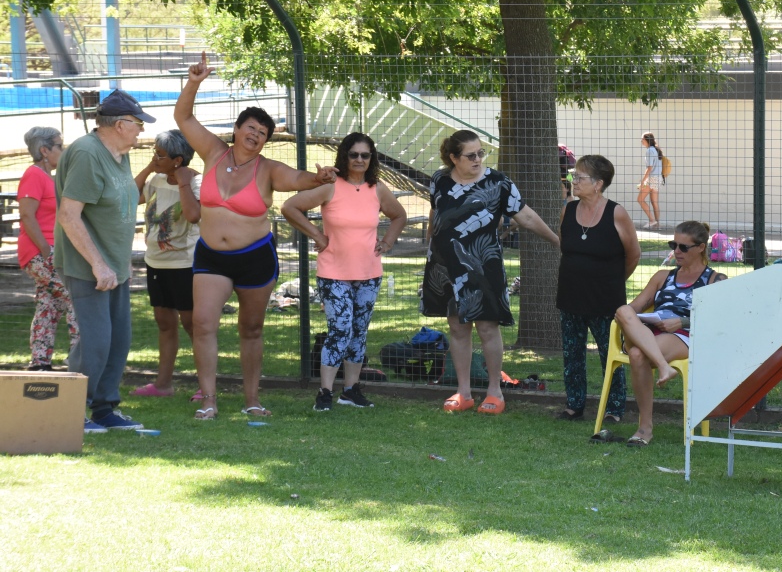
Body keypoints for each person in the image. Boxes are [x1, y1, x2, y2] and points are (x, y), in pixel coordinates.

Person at [174, 52, 336, 419]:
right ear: (236, 129)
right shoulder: (213, 153)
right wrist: (194, 82)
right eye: (250, 128)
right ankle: (210, 399)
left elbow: (297, 179)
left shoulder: (269, 169)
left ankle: (252, 399)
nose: (255, 135)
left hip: (254, 258)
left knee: (251, 328)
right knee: (203, 324)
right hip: (211, 256)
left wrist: (319, 177)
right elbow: (183, 117)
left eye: (262, 133)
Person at [420, 129, 559, 415]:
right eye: (471, 155)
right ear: (453, 157)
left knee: (487, 327)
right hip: (446, 265)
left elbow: (526, 216)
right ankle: (464, 392)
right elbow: (436, 213)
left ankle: (495, 391)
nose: (478, 159)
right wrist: (431, 247)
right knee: (457, 327)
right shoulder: (439, 180)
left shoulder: (498, 182)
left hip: (483, 265)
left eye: (481, 153)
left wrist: (557, 241)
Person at [281, 132, 407, 411]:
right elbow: (290, 207)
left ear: (371, 158)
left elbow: (399, 216)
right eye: (354, 154)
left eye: (365, 155)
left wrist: (387, 242)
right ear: (345, 157)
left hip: (369, 273)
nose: (360, 160)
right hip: (333, 273)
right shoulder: (331, 186)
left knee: (359, 332)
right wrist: (317, 236)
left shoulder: (378, 188)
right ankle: (325, 392)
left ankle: (350, 390)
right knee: (340, 329)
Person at [55, 90, 154, 433]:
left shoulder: (119, 153)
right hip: (89, 266)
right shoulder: (86, 153)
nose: (141, 130)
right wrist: (98, 264)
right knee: (96, 341)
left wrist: (118, 262)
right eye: (138, 124)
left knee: (118, 339)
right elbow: (69, 215)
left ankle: (104, 409)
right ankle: (71, 409)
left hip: (115, 265)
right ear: (120, 124)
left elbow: (117, 209)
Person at [614, 220, 726, 446]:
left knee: (637, 355)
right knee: (623, 309)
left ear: (701, 248)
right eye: (673, 244)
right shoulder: (663, 276)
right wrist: (638, 318)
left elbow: (720, 320)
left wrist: (682, 321)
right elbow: (633, 309)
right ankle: (664, 367)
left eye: (683, 247)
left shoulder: (715, 280)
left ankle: (645, 428)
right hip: (649, 330)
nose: (676, 251)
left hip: (683, 334)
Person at [556, 155, 640, 423]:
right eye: (573, 176)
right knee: (572, 354)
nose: (573, 181)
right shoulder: (568, 209)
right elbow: (564, 245)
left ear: (598, 184)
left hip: (606, 300)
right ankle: (574, 405)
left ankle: (614, 408)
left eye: (579, 177)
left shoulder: (617, 213)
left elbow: (633, 254)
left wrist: (613, 281)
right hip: (570, 296)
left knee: (611, 354)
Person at [130, 129, 202, 398]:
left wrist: (182, 183)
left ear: (178, 160)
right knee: (164, 322)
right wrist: (150, 167)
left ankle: (204, 385)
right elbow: (130, 196)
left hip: (185, 265)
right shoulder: (157, 179)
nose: (154, 157)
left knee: (192, 324)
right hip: (155, 262)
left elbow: (194, 216)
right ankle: (163, 385)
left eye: (160, 154)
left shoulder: (196, 183)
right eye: (154, 152)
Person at [18, 127, 79, 371]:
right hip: (39, 253)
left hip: (48, 251)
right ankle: (78, 359)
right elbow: (26, 215)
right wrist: (46, 251)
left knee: (48, 303)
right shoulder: (33, 175)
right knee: (76, 298)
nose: (63, 151)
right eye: (59, 146)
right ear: (44, 150)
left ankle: (40, 362)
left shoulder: (48, 177)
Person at [637, 132, 663, 229]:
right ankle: (657, 224)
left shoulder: (649, 151)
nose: (641, 141)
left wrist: (643, 181)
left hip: (652, 178)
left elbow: (649, 168)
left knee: (640, 199)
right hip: (658, 178)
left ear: (646, 140)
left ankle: (652, 220)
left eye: (642, 139)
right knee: (654, 202)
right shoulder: (657, 150)